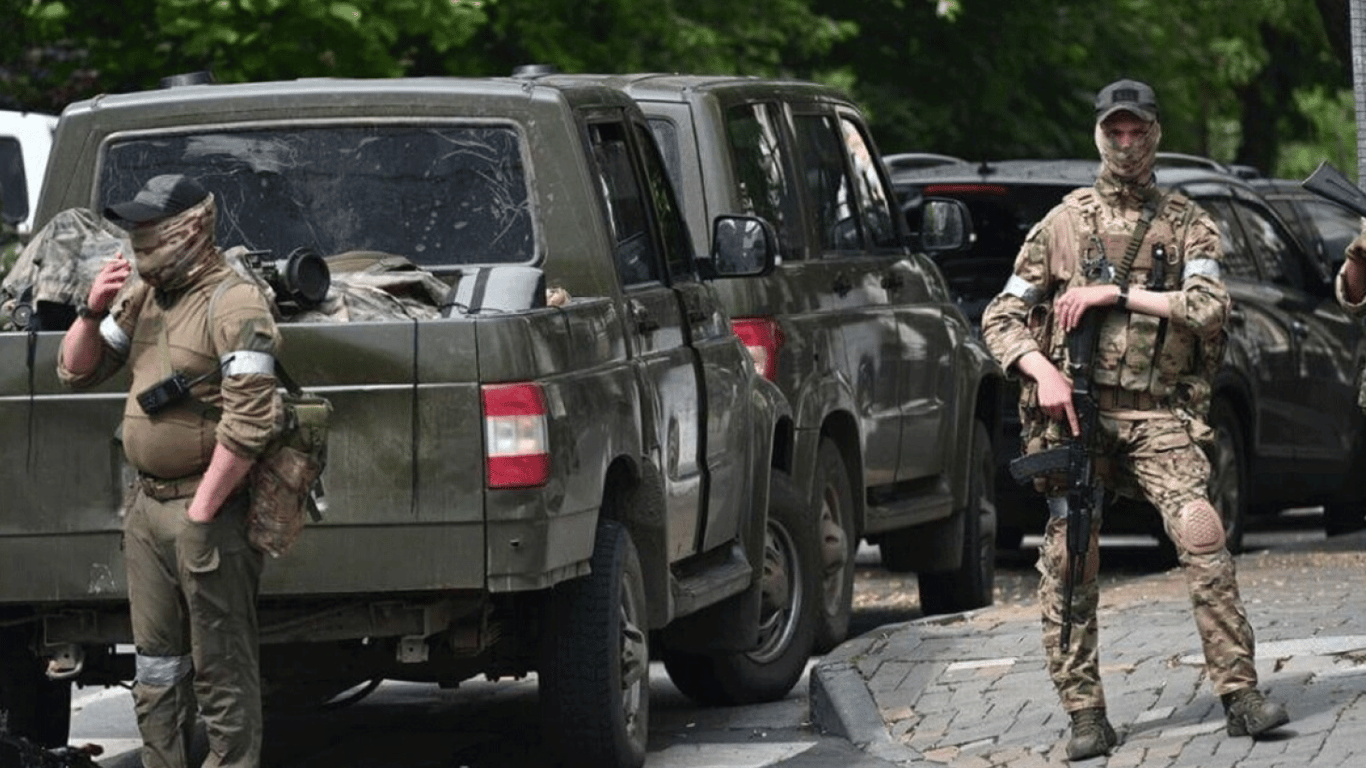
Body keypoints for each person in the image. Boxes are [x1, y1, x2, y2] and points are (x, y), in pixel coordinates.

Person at [980, 79, 1289, 761]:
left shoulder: (1187, 223)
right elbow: (1000, 316)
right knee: (1070, 555)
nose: (1126, 144)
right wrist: (1042, 369)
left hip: (1157, 416)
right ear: (1099, 133)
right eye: (1114, 131)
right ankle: (1086, 713)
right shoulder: (1062, 224)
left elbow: (1209, 306)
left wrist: (1117, 292)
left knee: (1203, 532)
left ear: (1155, 134)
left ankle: (1240, 693)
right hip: (1079, 422)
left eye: (1137, 131)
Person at [58, 174, 281, 768]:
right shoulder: (143, 295)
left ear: (189, 228)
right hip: (148, 509)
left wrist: (204, 512)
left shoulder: (234, 302)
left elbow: (252, 420)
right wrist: (91, 309)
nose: (138, 238)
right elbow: (77, 371)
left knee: (221, 665)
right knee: (155, 664)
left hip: (203, 510)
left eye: (150, 226)